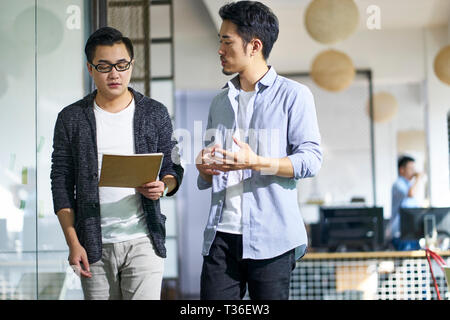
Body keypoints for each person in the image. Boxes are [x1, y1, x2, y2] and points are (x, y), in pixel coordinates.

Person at [196, 1, 322, 300]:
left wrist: (256, 162)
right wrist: (204, 166)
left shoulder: (294, 96)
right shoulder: (220, 101)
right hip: (220, 236)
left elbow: (311, 159)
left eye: (227, 42)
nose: (220, 50)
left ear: (254, 46)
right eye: (220, 42)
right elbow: (210, 163)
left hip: (272, 238)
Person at [50, 27, 183, 300]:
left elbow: (173, 167)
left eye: (122, 65)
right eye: (104, 66)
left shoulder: (154, 112)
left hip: (144, 239)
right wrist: (73, 243)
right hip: (93, 242)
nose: (115, 74)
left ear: (131, 65)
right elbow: (61, 182)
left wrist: (164, 186)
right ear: (90, 68)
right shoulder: (71, 118)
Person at [388, 155, 423, 250]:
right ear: (401, 170)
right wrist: (418, 178)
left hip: (412, 232)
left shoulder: (409, 185)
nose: (414, 171)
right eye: (410, 168)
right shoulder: (398, 184)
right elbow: (410, 193)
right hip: (400, 233)